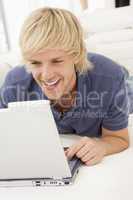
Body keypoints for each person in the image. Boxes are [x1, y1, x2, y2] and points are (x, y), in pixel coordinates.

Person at [0, 7, 132, 166]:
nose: (46, 74)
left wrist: (102, 146)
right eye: (35, 63)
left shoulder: (110, 78)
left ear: (76, 55)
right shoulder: (14, 84)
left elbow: (119, 138)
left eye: (57, 61)